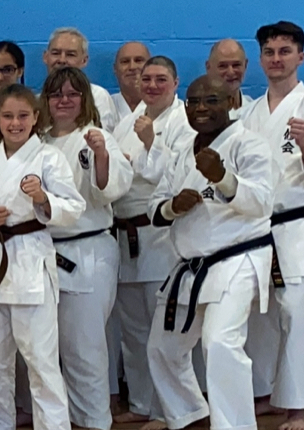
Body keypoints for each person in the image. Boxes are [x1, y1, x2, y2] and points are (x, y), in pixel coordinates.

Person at [139, 76, 275, 430]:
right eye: (194, 102)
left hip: (237, 258)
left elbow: (262, 202)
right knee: (162, 348)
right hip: (190, 265)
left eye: (211, 100)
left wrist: (223, 177)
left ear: (230, 102)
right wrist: (173, 206)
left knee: (220, 343)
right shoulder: (184, 151)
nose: (201, 108)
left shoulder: (250, 144)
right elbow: (155, 206)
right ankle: (190, 417)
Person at [237, 21, 304, 430]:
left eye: (284, 51)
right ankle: (263, 393)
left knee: (296, 312)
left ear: (301, 56)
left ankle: (297, 406)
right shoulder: (247, 112)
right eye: (269, 52)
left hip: (294, 226)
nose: (276, 59)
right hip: (251, 227)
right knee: (256, 314)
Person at [0, 84, 80, 430]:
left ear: (35, 118)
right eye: (8, 116)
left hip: (29, 262)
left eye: (23, 115)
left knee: (41, 359)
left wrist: (42, 198)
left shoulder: (49, 157)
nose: (15, 123)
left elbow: (73, 207)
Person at [36, 67, 132, 430]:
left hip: (87, 249)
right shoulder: (37, 142)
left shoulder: (95, 137)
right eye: (56, 94)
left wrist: (102, 156)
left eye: (72, 94)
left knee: (84, 347)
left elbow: (110, 191)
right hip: (43, 251)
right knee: (47, 348)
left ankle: (94, 422)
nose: (64, 100)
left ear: (85, 99)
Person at [108, 56, 187, 425]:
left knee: (163, 330)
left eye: (160, 79)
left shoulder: (184, 121)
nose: (152, 86)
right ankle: (141, 403)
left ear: (175, 82)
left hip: (159, 235)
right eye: (147, 79)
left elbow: (178, 175)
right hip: (124, 234)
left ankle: (168, 409)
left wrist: (150, 143)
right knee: (133, 329)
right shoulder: (128, 120)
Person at [41, 28, 121, 126]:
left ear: (84, 60)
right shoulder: (37, 100)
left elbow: (102, 133)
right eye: (56, 53)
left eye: (70, 55)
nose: (62, 60)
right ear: (45, 57)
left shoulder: (98, 96)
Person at [108, 42, 152, 127]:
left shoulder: (162, 107)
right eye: (125, 62)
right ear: (115, 69)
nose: (132, 67)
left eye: (138, 60)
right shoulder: (106, 105)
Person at [207, 39, 253, 112]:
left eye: (236, 65)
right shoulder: (196, 113)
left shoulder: (254, 110)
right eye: (223, 66)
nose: (230, 72)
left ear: (245, 65)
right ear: (208, 67)